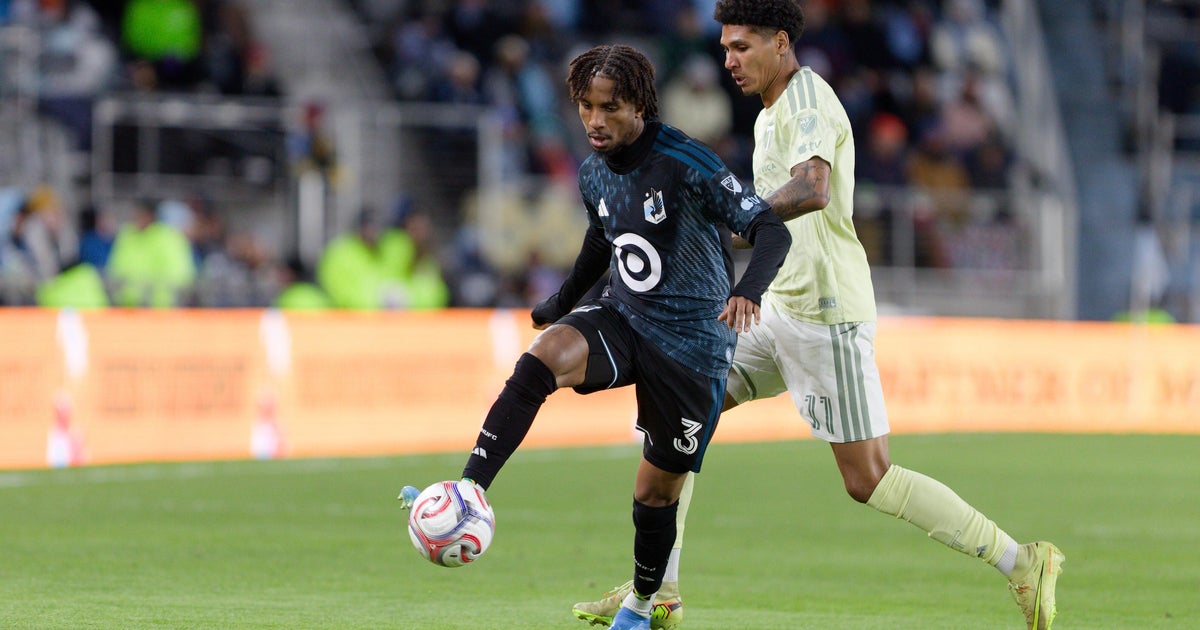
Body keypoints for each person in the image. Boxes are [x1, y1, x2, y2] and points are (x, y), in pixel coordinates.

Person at [573, 2, 1065, 630]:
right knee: (682, 417)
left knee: (869, 479)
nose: (729, 61)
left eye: (742, 47)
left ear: (781, 42)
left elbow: (812, 187)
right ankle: (657, 590)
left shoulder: (807, 100)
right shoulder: (770, 112)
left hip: (825, 313)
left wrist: (733, 217)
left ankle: (1022, 561)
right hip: (775, 309)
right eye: (725, 49)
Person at [408, 44, 791, 630]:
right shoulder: (592, 171)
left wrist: (750, 291)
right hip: (625, 315)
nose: (594, 120)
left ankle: (643, 603)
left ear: (639, 105)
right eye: (586, 106)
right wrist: (563, 302)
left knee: (655, 492)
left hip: (692, 345)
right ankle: (469, 492)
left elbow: (770, 229)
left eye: (609, 107)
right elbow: (601, 236)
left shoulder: (687, 162)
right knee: (540, 361)